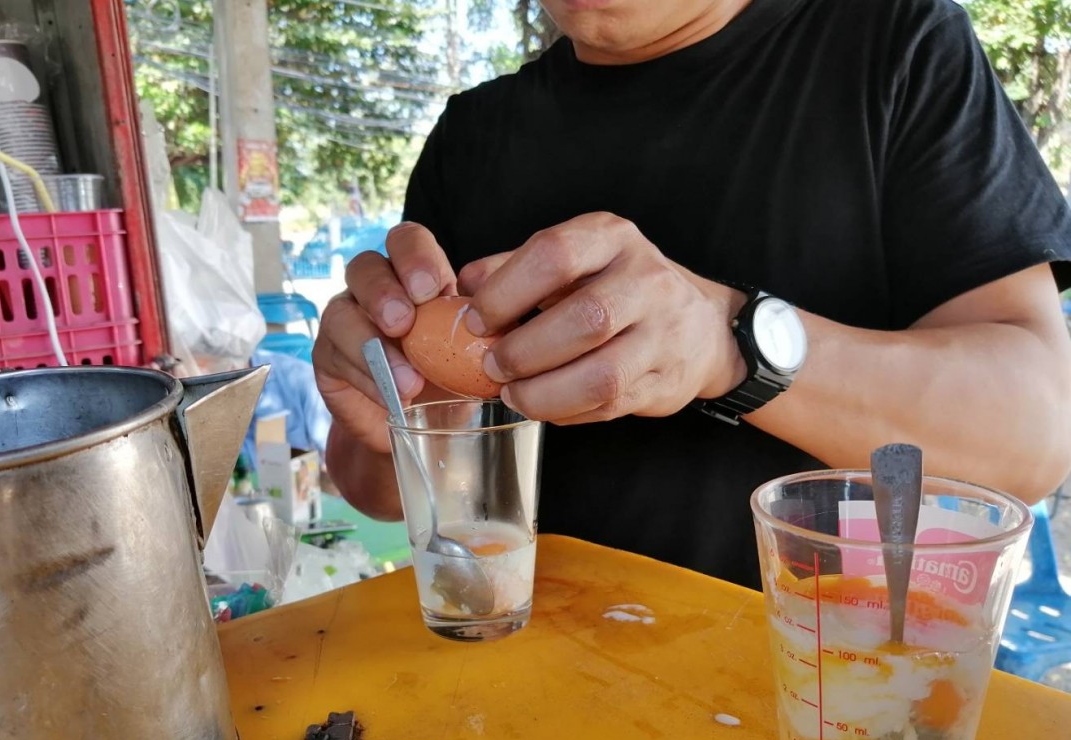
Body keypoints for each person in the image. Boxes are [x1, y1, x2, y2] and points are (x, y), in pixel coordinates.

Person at [312, 0, 1071, 588]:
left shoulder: (893, 46)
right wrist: (397, 419)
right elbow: (376, 487)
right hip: (533, 700)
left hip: (833, 711)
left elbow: (1035, 431)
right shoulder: (473, 138)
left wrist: (730, 341)